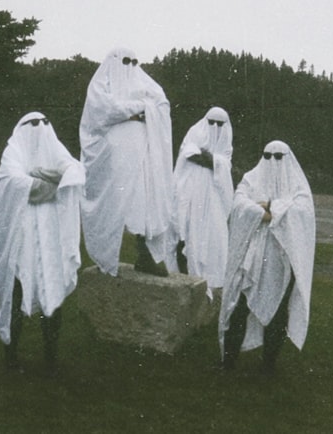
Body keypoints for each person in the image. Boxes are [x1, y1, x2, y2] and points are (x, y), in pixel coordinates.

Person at [0, 111, 84, 375]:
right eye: (33, 124)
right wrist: (55, 185)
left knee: (52, 296)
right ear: (22, 127)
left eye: (44, 123)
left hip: (50, 239)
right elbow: (15, 183)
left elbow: (75, 171)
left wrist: (41, 175)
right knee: (16, 292)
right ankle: (10, 357)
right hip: (22, 240)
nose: (39, 128)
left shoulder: (56, 150)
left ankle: (51, 359)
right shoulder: (13, 152)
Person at [218, 140, 316, 374]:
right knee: (238, 306)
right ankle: (228, 362)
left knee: (278, 312)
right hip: (251, 258)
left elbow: (303, 211)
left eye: (279, 156)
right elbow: (239, 203)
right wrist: (266, 214)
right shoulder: (252, 178)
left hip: (280, 260)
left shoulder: (297, 186)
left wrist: (272, 206)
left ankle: (269, 364)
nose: (273, 161)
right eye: (268, 155)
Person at [79, 47, 174, 277]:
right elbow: (104, 110)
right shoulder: (100, 85)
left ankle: (146, 255)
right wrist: (140, 108)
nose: (129, 66)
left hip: (144, 156)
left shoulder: (146, 83)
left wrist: (129, 112)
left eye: (134, 61)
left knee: (145, 204)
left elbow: (162, 104)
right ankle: (106, 256)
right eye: (124, 61)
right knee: (113, 204)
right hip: (113, 159)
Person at [170, 106, 235, 291]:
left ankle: (210, 282)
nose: (215, 127)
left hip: (214, 200)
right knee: (188, 235)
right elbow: (189, 156)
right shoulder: (194, 132)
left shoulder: (226, 144)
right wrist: (214, 161)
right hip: (190, 196)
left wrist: (210, 159)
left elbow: (223, 163)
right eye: (211, 122)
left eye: (219, 124)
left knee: (213, 238)